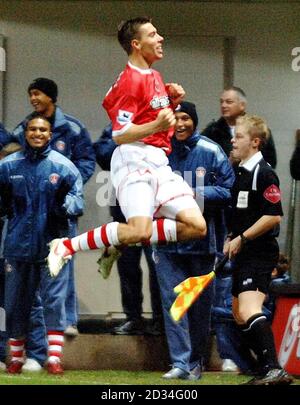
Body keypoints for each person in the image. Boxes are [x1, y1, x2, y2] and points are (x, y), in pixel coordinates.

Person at [47, 17, 206, 278]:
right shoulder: (130, 81)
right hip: (134, 159)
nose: (160, 38)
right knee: (140, 230)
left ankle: (119, 240)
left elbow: (135, 107)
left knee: (196, 226)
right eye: (153, 35)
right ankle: (65, 246)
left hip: (159, 161)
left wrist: (169, 97)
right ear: (136, 44)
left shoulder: (152, 74)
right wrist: (156, 125)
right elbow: (120, 134)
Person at [0, 78, 95, 371]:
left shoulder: (63, 167)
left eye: (42, 130)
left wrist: (66, 206)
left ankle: (53, 358)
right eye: (32, 129)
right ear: (25, 133)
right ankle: (15, 357)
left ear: (50, 134)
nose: (37, 133)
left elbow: (77, 199)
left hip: (55, 243)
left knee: (54, 301)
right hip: (17, 243)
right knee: (16, 303)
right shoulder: (8, 166)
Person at [154, 101, 235, 380]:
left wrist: (189, 193)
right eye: (175, 118)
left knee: (200, 306)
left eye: (185, 118)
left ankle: (196, 361)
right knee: (173, 302)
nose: (180, 124)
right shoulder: (158, 153)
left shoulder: (211, 151)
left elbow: (227, 192)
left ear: (194, 121)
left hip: (204, 242)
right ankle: (179, 363)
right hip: (166, 242)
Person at [224, 114, 293, 385]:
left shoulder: (263, 173)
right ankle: (262, 368)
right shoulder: (240, 172)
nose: (233, 140)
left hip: (259, 253)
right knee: (237, 312)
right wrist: (233, 238)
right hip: (244, 252)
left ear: (255, 142)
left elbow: (274, 215)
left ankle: (274, 368)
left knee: (250, 308)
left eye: (239, 136)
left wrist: (242, 238)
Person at [93, 124, 163, 335]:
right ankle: (133, 317)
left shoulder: (160, 121)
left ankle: (160, 319)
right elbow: (103, 156)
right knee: (128, 266)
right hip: (123, 206)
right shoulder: (116, 126)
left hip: (155, 207)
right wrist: (126, 136)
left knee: (158, 267)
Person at [202, 86, 277, 168]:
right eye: (221, 102)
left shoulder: (258, 130)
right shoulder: (212, 131)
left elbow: (270, 160)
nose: (223, 105)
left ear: (242, 105)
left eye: (229, 102)